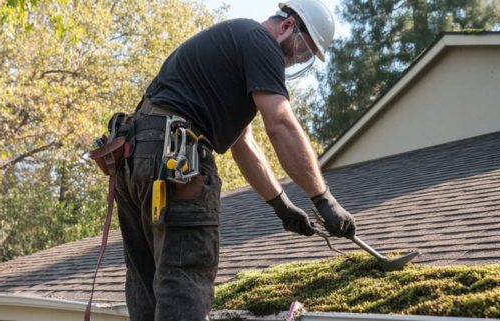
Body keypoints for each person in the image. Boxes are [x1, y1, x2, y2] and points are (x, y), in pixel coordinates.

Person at [113, 1, 356, 319]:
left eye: (304, 59)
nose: (293, 61)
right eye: (300, 50)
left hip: (137, 159)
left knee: (146, 285)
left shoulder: (233, 45)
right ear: (286, 26)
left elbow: (243, 142)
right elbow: (279, 123)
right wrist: (323, 198)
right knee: (183, 282)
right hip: (177, 161)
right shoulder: (260, 42)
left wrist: (280, 204)